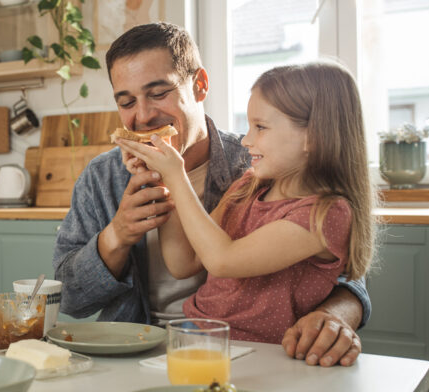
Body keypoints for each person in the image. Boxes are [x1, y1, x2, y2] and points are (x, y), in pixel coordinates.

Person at [53, 22, 371, 367]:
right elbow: (69, 300)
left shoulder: (258, 166)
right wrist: (115, 237)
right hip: (136, 347)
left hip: (254, 353)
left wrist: (336, 314)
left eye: (159, 93)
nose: (142, 116)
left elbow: (345, 272)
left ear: (200, 85)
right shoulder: (103, 176)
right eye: (127, 102)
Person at [117, 61, 375, 345]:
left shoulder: (324, 215)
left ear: (313, 135)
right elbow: (183, 262)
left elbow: (222, 260)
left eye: (260, 127)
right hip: (195, 337)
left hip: (260, 353)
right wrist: (161, 181)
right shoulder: (248, 187)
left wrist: (175, 174)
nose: (246, 140)